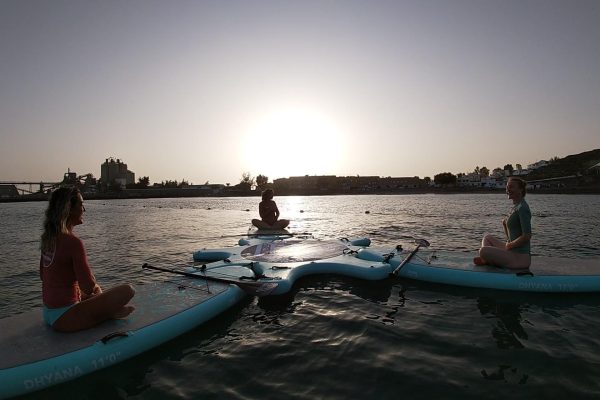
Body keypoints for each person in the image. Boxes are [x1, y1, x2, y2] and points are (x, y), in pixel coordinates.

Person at [40, 187, 135, 332]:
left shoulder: (48, 238)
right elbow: (88, 286)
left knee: (95, 292)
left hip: (48, 312)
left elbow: (42, 275)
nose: (84, 209)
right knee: (128, 290)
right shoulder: (73, 242)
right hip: (65, 317)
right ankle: (110, 314)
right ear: (69, 209)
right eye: (81, 205)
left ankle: (109, 313)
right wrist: (91, 282)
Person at [474, 177, 532, 269]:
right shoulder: (516, 207)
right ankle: (487, 259)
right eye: (507, 187)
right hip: (511, 251)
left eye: (511, 187)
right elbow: (510, 237)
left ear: (520, 190)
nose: (508, 189)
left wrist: (510, 245)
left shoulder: (522, 208)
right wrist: (505, 225)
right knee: (487, 238)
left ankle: (486, 259)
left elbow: (527, 236)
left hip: (520, 258)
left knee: (483, 251)